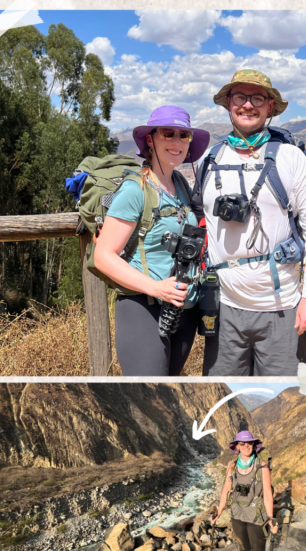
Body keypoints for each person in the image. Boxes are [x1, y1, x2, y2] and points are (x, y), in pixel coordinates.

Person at [198, 69, 306, 376]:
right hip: (223, 306)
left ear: (270, 107)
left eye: (257, 98)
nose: (247, 105)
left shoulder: (290, 158)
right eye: (240, 97)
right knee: (223, 391)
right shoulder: (210, 160)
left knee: (287, 393)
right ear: (228, 103)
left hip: (281, 308)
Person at [94, 105, 208, 376]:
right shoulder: (135, 190)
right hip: (144, 308)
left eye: (183, 135)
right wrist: (156, 288)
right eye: (168, 133)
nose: (176, 142)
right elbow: (103, 256)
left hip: (182, 309)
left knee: (171, 392)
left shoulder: (180, 185)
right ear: (150, 139)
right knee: (149, 392)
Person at [214, 431, 278, 551]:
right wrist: (219, 512)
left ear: (253, 445)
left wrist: (270, 518)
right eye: (242, 443)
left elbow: (267, 494)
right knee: (243, 550)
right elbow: (226, 489)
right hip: (237, 515)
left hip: (257, 516)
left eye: (249, 443)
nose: (246, 446)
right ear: (237, 446)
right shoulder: (232, 465)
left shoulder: (262, 466)